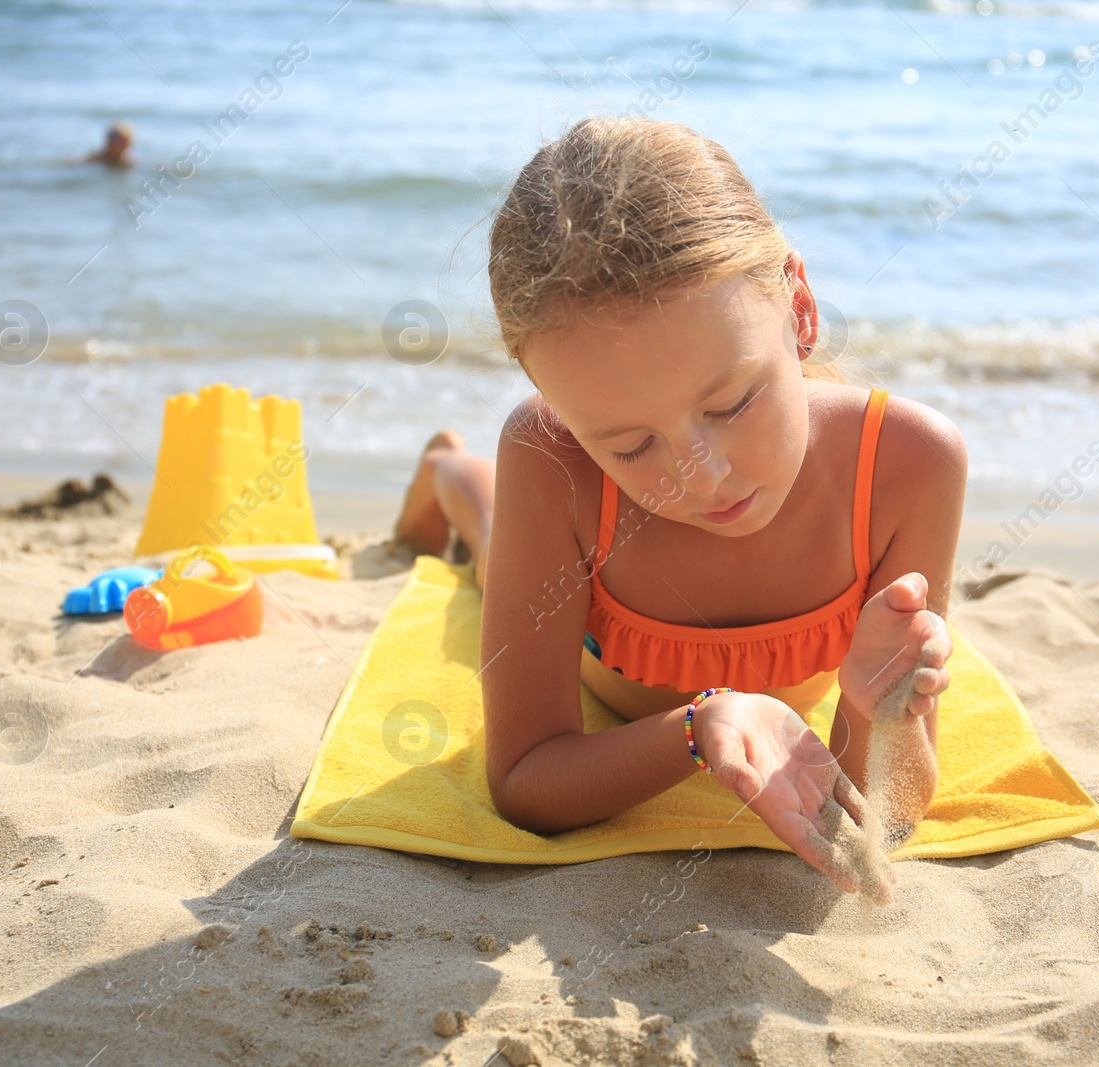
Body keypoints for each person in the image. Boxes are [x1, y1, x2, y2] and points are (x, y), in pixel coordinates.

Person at [392, 117, 965, 898]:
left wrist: (879, 711)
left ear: (799, 306)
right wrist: (701, 726)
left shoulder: (910, 464)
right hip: (585, 605)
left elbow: (886, 815)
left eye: (731, 403)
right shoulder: (552, 460)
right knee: (492, 539)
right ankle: (446, 467)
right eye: (629, 446)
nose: (702, 476)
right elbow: (525, 777)